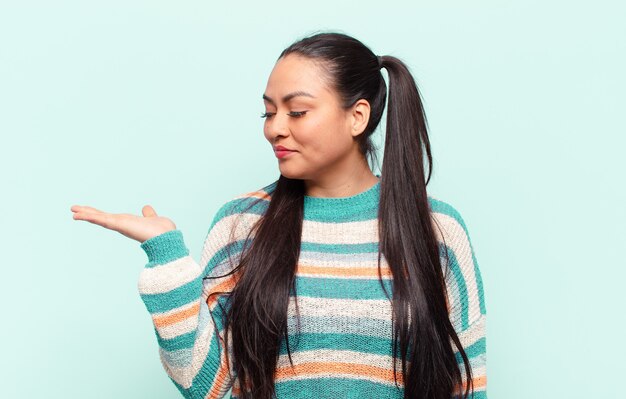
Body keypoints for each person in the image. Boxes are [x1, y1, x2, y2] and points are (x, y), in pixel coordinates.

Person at [71, 31, 487, 399]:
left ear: (357, 116)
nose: (275, 128)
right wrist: (166, 258)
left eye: (297, 111)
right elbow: (208, 385)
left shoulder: (438, 230)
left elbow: (466, 386)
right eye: (268, 112)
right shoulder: (242, 223)